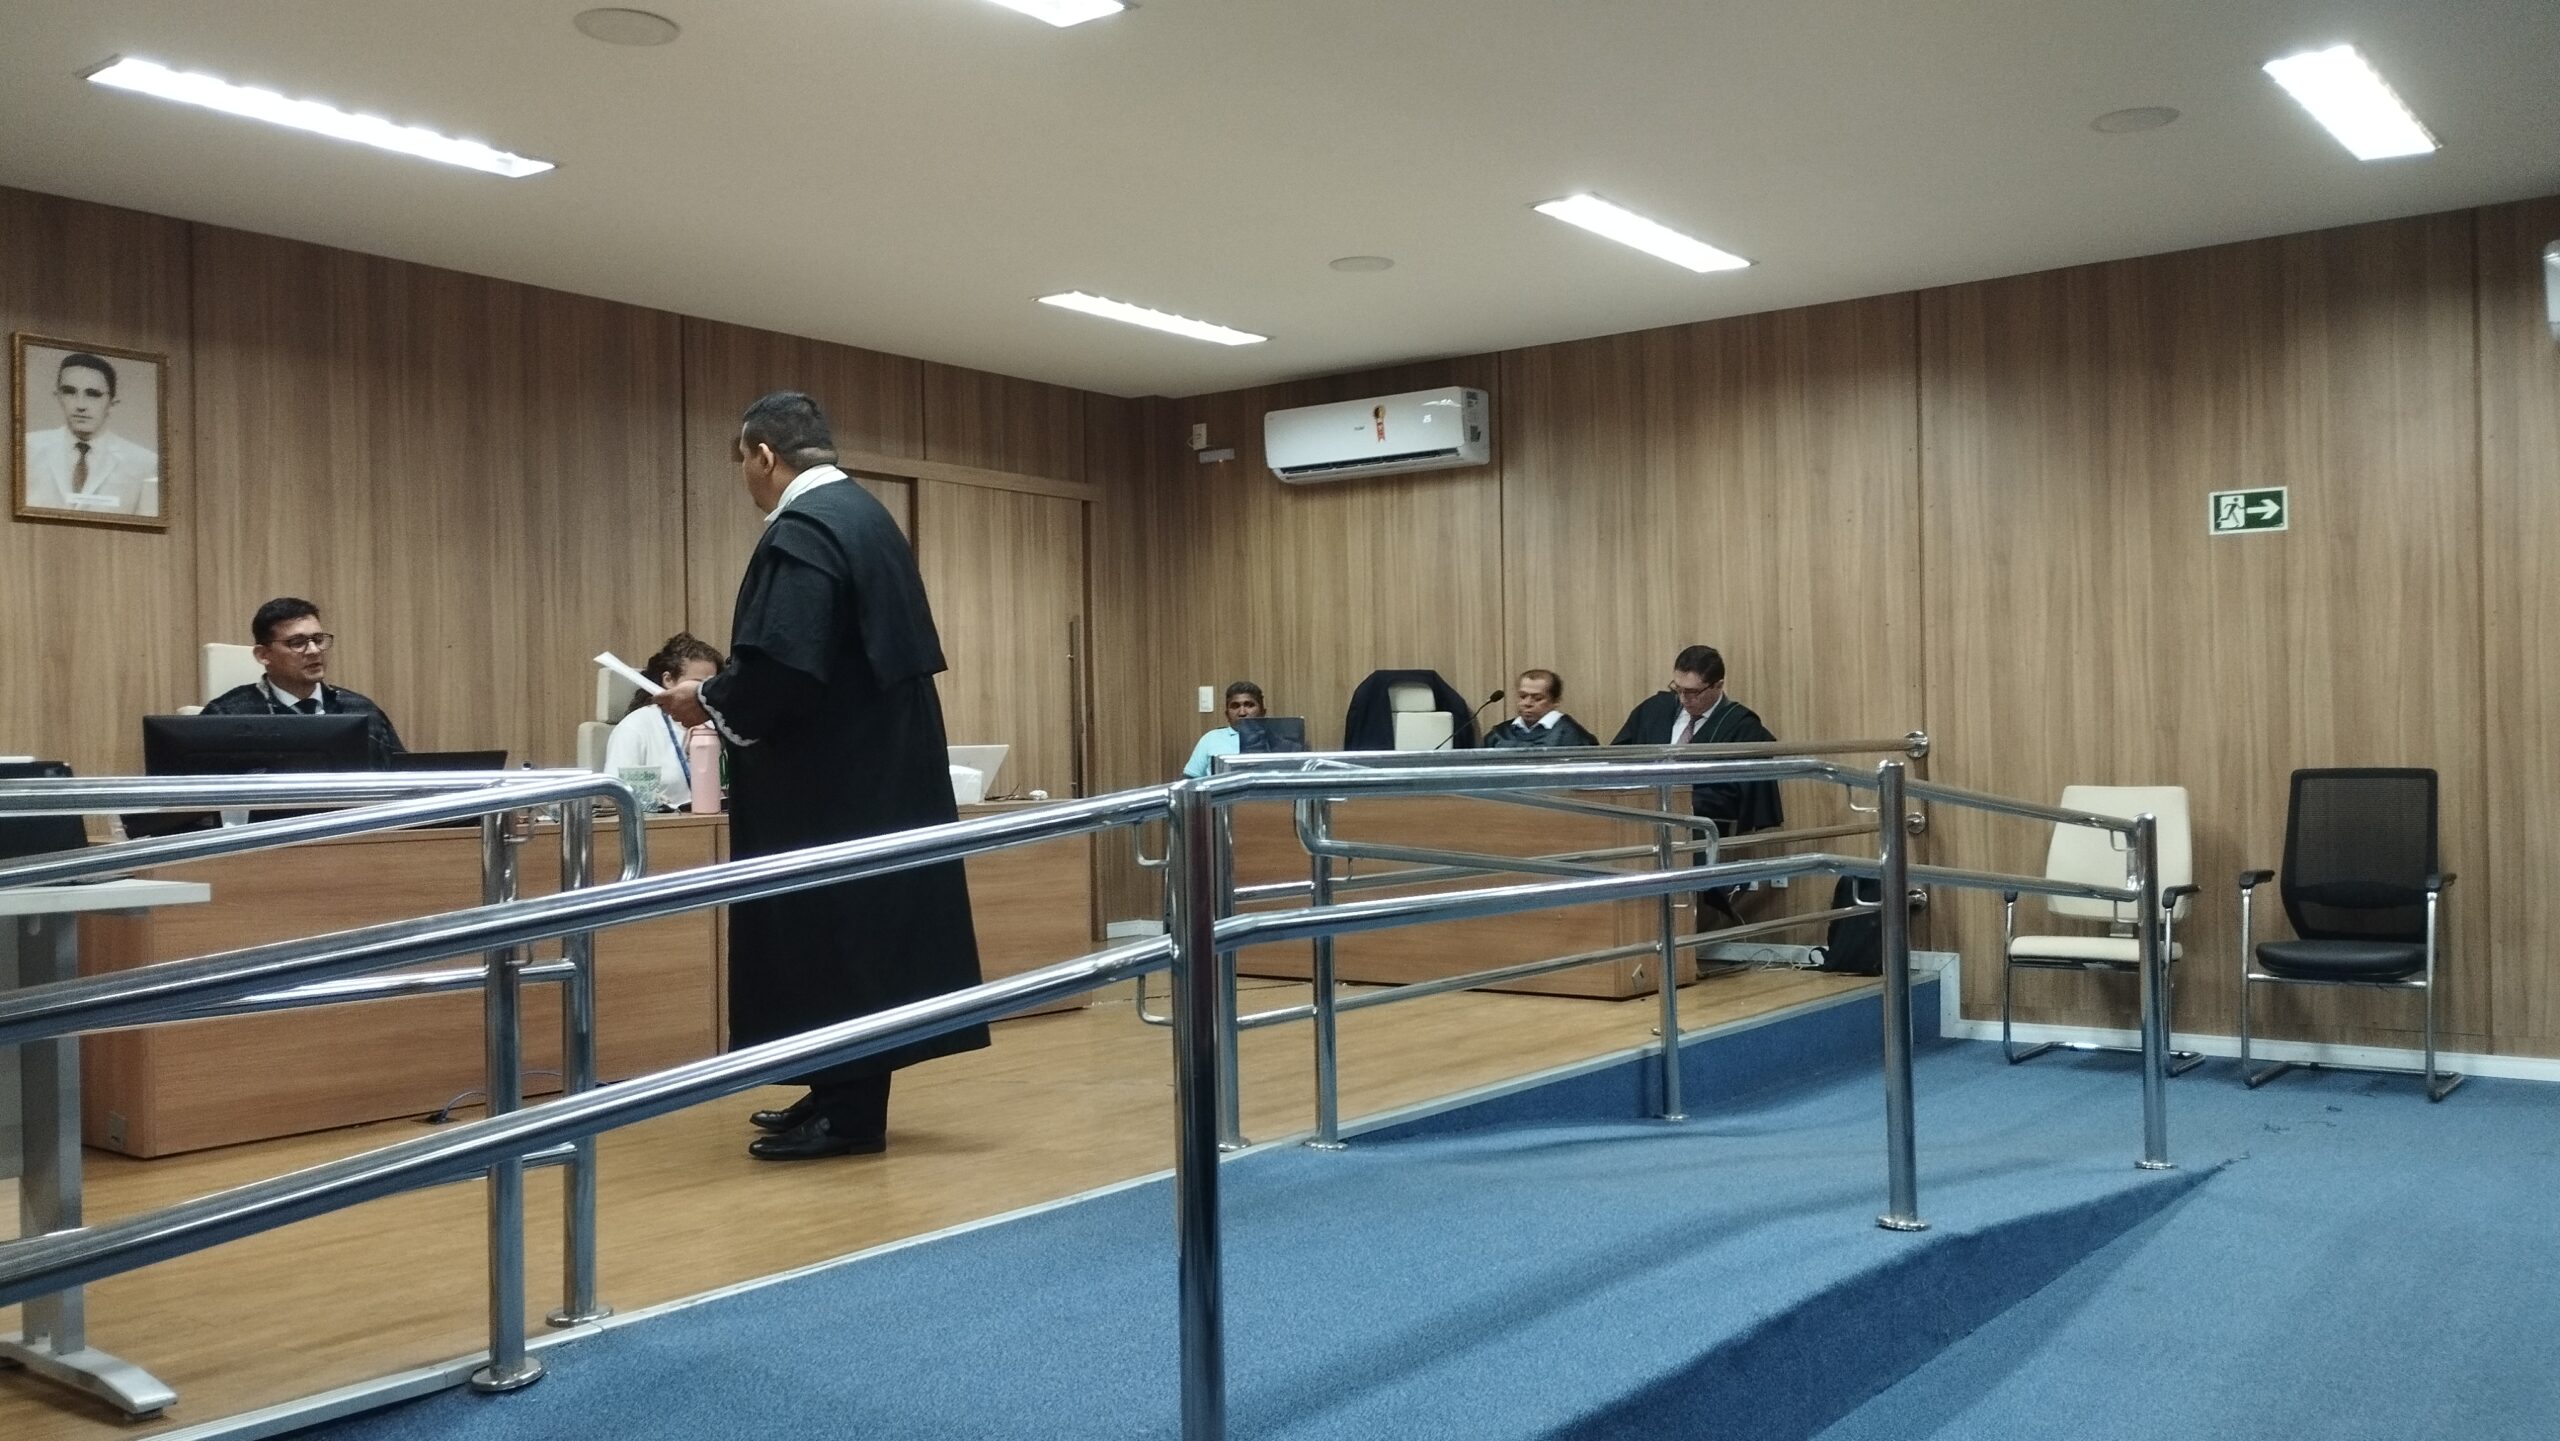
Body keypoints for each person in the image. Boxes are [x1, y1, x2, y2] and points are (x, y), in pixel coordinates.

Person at [656, 390, 985, 1162]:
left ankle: (850, 1112)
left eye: (742, 461)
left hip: (832, 785)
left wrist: (707, 699)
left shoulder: (804, 529)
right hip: (877, 768)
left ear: (765, 455)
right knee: (858, 936)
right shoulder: (867, 520)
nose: (745, 477)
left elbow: (782, 669)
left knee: (832, 935)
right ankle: (835, 1087)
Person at [1611, 644, 1784, 922]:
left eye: (1692, 692)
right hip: (1638, 822)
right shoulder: (1654, 709)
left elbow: (1732, 796)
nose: (1683, 699)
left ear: (1718, 686)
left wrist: (1675, 800)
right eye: (1677, 688)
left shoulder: (1740, 725)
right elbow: (1619, 759)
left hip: (1694, 827)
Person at [201, 597, 406, 765]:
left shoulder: (361, 711)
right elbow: (197, 793)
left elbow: (402, 780)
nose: (314, 650)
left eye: (318, 639)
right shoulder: (227, 715)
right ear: (263, 655)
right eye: (297, 643)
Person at [22, 351, 161, 518]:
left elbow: (148, 528)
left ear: (112, 403)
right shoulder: (25, 449)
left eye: (93, 394)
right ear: (58, 396)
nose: (80, 405)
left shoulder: (144, 463)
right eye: (69, 391)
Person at [603, 632, 725, 811]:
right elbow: (614, 797)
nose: (703, 694)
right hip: (662, 824)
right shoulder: (635, 727)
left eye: (710, 686)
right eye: (696, 685)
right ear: (668, 680)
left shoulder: (719, 725)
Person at [1480, 669, 1598, 748]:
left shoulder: (1573, 736)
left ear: (1556, 701)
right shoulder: (1499, 734)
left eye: (1537, 698)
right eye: (1522, 696)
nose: (1527, 703)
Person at [1182, 681, 1266, 778]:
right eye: (1235, 706)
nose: (1242, 713)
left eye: (1249, 705)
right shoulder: (1211, 739)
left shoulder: (1276, 739)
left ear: (1263, 712)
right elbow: (1189, 779)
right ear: (1227, 714)